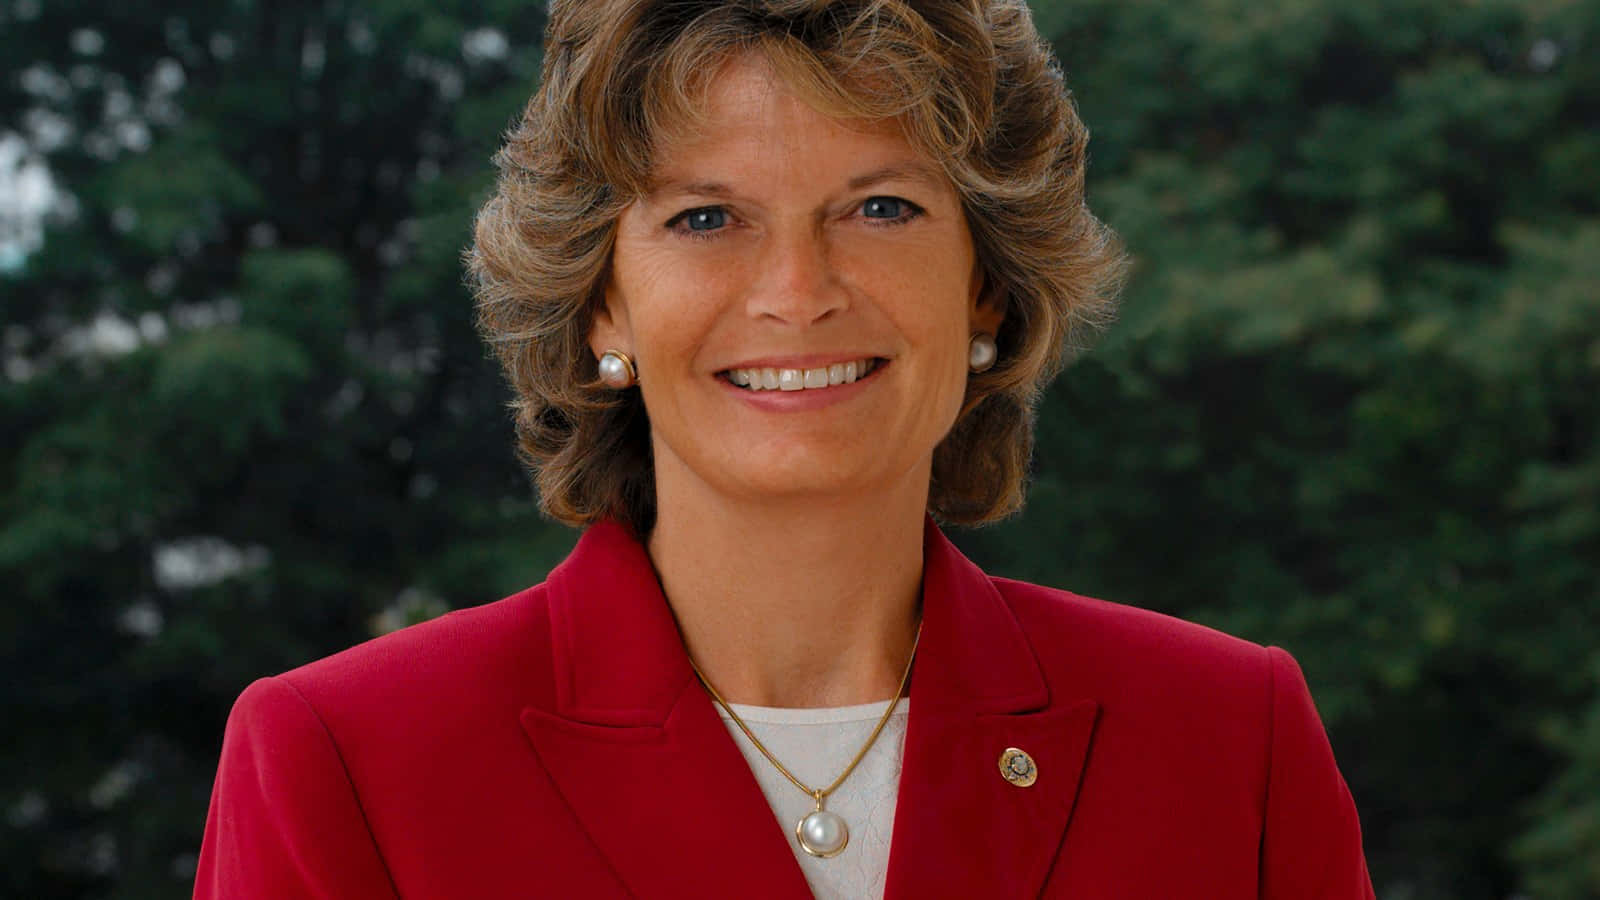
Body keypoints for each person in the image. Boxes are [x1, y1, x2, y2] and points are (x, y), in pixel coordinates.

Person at [194, 1, 1374, 897]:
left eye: (880, 208)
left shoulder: (1230, 741)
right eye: (706, 218)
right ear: (599, 301)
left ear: (987, 290)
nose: (796, 293)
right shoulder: (343, 762)